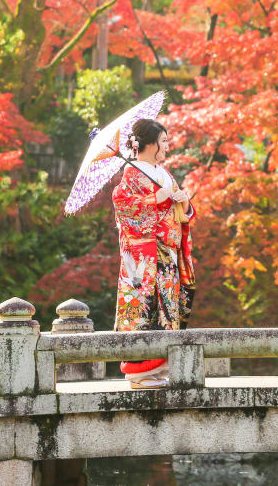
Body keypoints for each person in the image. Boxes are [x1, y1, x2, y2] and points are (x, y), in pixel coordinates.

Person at [111, 118, 196, 389]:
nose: (167, 146)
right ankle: (138, 373)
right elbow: (123, 206)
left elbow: (179, 215)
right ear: (149, 143)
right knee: (145, 311)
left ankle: (157, 370)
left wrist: (184, 204)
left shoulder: (163, 173)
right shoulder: (132, 173)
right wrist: (154, 199)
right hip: (144, 259)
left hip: (167, 254)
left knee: (166, 312)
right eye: (164, 141)